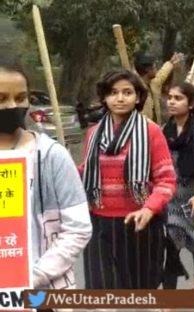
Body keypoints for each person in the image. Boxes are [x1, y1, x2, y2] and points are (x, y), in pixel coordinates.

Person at [0, 58, 92, 290]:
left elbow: (78, 228)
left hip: (41, 293)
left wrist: (31, 278)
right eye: (1, 99)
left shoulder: (51, 156)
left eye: (20, 98)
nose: (12, 106)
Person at [80, 70, 176, 289]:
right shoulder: (93, 133)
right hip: (99, 224)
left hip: (140, 224)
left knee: (139, 292)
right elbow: (86, 172)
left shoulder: (151, 131)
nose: (120, 98)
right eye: (113, 92)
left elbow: (166, 180)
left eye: (127, 92)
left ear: (138, 97)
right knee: (101, 289)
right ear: (104, 97)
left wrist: (149, 208)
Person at [161, 82, 194, 289]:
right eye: (170, 98)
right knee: (171, 246)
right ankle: (168, 298)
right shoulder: (162, 131)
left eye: (178, 98)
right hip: (170, 198)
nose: (172, 102)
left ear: (191, 103)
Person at [135, 52, 184, 124]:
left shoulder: (153, 84)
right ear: (148, 70)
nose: (156, 70)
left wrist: (171, 63)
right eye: (155, 67)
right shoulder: (136, 89)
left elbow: (162, 74)